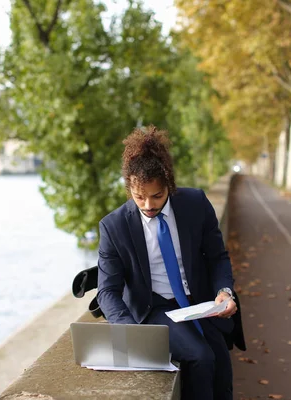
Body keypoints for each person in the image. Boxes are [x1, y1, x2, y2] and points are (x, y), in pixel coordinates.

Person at [97, 125, 243, 400]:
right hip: (154, 308)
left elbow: (217, 257)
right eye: (139, 196)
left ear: (169, 185)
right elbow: (107, 291)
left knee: (221, 366)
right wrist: (128, 331)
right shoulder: (113, 226)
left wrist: (225, 291)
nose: (148, 205)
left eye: (157, 196)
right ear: (129, 187)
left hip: (200, 303)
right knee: (201, 358)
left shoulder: (196, 203)